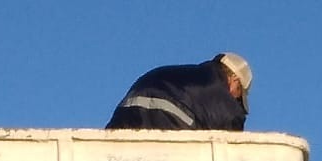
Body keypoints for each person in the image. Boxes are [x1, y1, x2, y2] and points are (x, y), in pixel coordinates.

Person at [106, 53, 252, 131]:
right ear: (234, 79)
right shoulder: (217, 86)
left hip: (127, 112)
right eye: (237, 94)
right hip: (164, 116)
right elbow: (232, 125)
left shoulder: (193, 75)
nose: (234, 99)